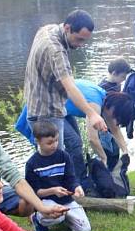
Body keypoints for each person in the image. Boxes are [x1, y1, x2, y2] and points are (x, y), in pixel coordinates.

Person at [23, 9, 106, 152]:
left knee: (74, 145)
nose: (81, 45)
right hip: (46, 114)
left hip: (44, 107)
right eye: (79, 39)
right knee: (55, 160)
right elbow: (70, 87)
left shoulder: (48, 29)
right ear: (67, 28)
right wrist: (92, 114)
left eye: (85, 40)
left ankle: (76, 175)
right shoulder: (56, 51)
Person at [25, 121, 90, 231]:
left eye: (56, 140)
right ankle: (37, 219)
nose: (54, 145)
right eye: (50, 143)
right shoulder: (32, 164)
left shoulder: (64, 156)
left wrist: (77, 187)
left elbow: (71, 178)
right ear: (37, 141)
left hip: (66, 199)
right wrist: (53, 190)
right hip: (46, 200)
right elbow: (35, 192)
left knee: (84, 230)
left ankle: (66, 217)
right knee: (57, 217)